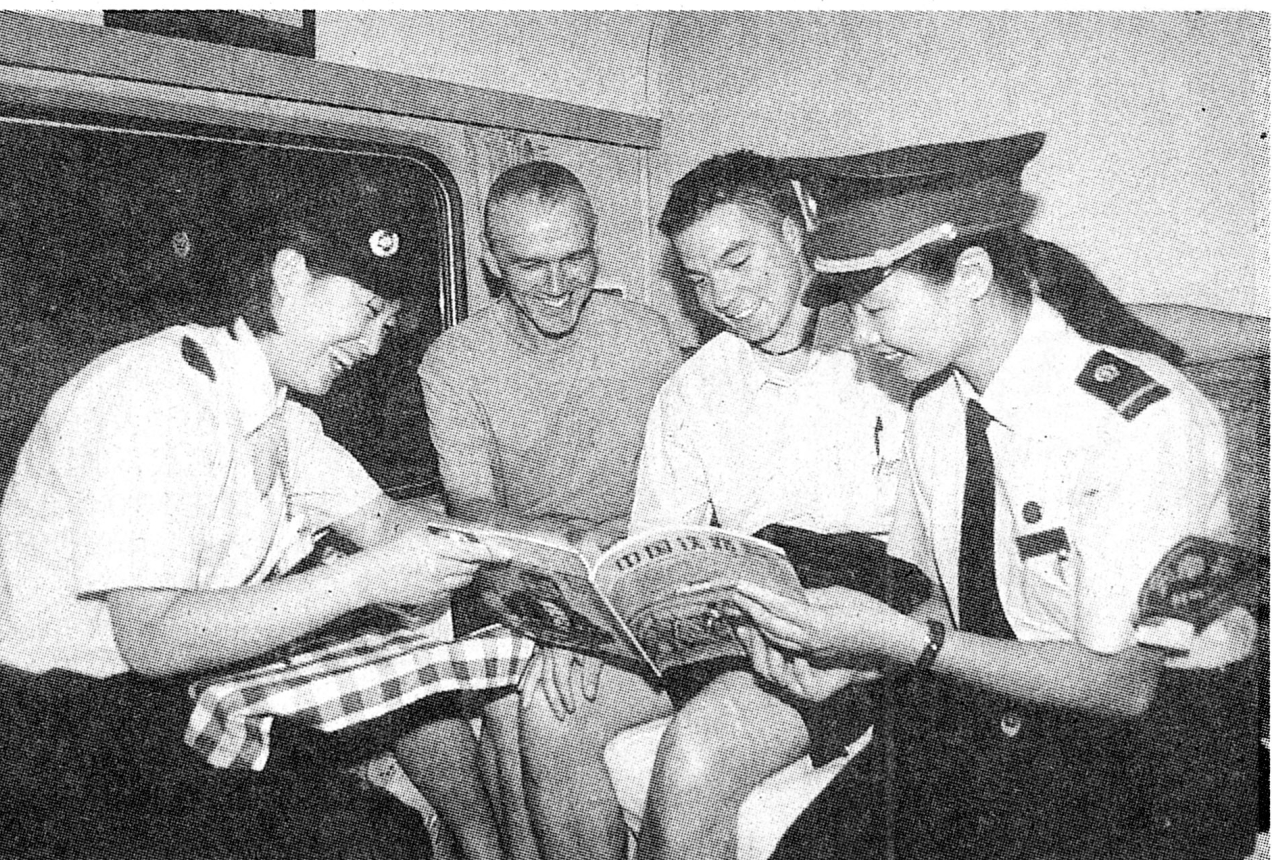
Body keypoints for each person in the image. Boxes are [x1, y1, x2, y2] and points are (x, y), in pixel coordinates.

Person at [0, 212, 511, 860]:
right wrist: (364, 580)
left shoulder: (278, 417)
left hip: (121, 718)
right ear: (289, 277)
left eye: (387, 322)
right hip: (10, 741)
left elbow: (386, 524)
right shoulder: (154, 393)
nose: (373, 344)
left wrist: (538, 551)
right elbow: (152, 637)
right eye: (367, 309)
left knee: (381, 833)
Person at [732, 132, 1257, 858]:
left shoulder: (1139, 420)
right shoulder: (937, 406)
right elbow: (949, 605)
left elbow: (1125, 684)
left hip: (1145, 752)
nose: (861, 338)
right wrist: (851, 663)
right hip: (997, 710)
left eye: (876, 308)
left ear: (972, 274)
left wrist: (906, 643)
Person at [518, 150, 924, 860]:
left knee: (697, 750)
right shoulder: (696, 387)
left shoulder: (891, 349)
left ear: (796, 235)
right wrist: (582, 629)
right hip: (740, 608)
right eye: (700, 280)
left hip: (858, 615)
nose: (724, 297)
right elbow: (653, 548)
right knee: (550, 710)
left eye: (739, 261)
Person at [418, 160, 682, 859]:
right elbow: (472, 507)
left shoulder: (647, 337)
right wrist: (571, 543)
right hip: (519, 575)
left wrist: (612, 554)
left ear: (597, 247)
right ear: (491, 263)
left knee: (534, 713)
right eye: (532, 265)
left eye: (576, 258)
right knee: (504, 718)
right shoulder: (454, 361)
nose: (559, 284)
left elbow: (690, 488)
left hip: (634, 577)